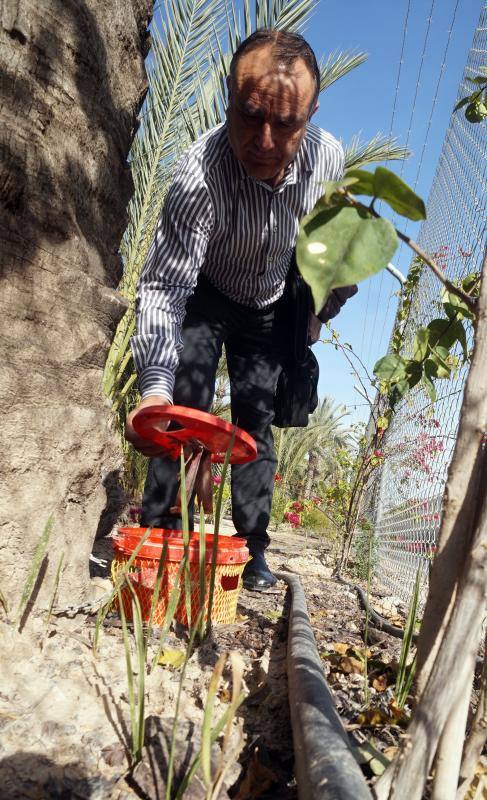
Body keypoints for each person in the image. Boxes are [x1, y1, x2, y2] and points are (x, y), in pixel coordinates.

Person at [125, 29, 357, 590]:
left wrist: (320, 310)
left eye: (287, 124)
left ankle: (251, 550)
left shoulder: (328, 164)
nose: (264, 140)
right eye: (249, 115)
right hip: (207, 292)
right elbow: (163, 286)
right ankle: (162, 532)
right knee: (183, 403)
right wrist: (155, 385)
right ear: (229, 97)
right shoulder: (197, 173)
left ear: (313, 113)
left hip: (271, 304)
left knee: (256, 421)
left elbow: (339, 255)